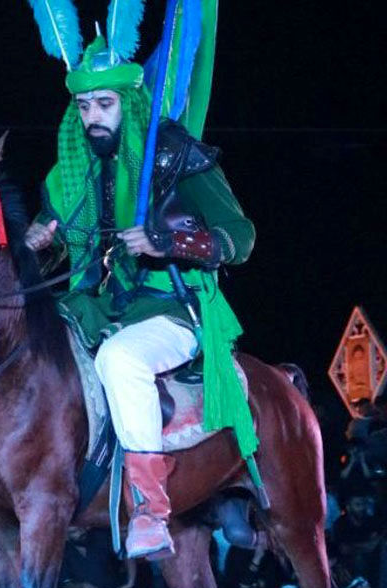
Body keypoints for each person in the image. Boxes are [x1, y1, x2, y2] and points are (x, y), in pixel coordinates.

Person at [19, 30, 255, 560]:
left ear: (128, 101)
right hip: (98, 307)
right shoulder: (73, 170)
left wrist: (167, 239)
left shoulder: (174, 155)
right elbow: (60, 241)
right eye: (83, 105)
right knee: (29, 345)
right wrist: (38, 244)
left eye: (104, 103)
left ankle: (151, 509)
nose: (92, 117)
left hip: (172, 308)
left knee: (120, 359)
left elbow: (241, 237)